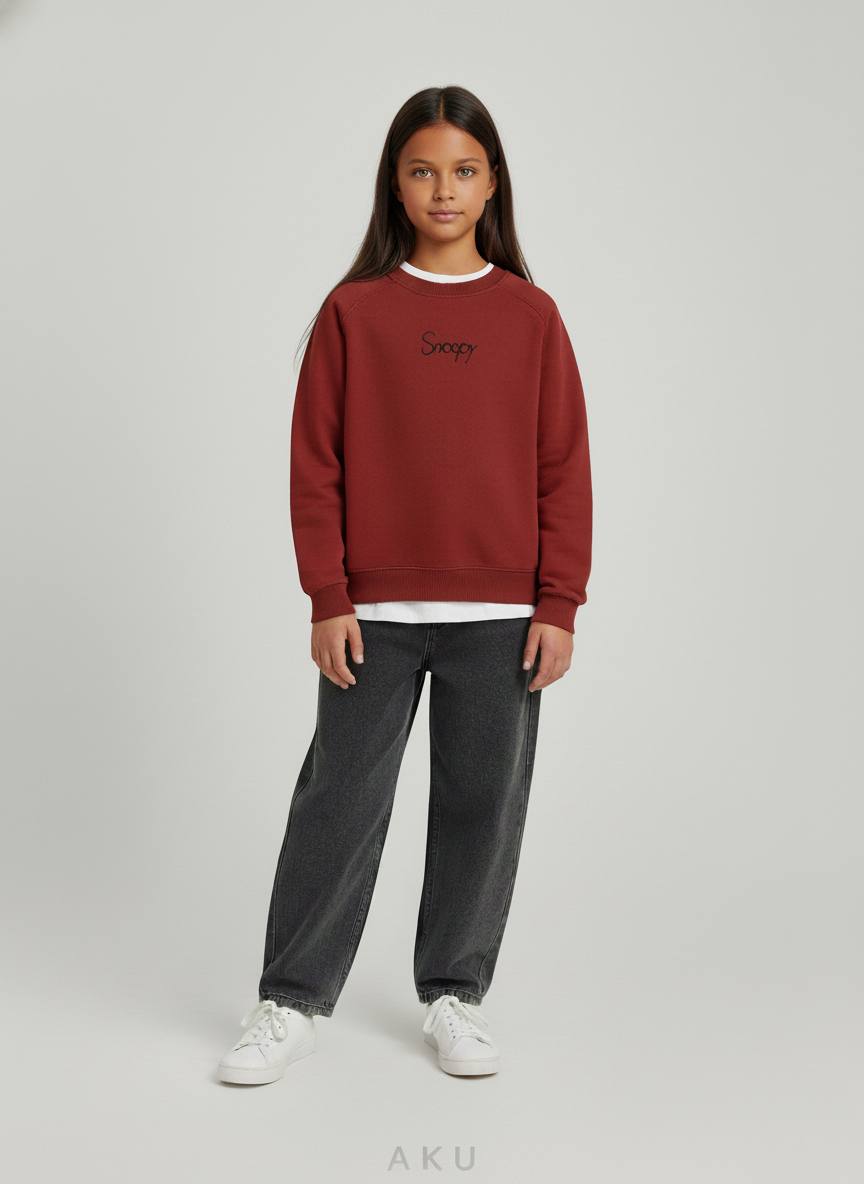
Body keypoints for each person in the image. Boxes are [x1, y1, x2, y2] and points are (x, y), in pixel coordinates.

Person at [217, 84, 593, 1085]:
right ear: (396, 181)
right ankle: (291, 999)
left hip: (501, 615)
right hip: (373, 614)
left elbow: (563, 466)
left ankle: (454, 994)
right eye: (423, 170)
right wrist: (328, 595)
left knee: (482, 805)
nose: (444, 189)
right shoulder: (355, 313)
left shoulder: (531, 317)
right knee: (338, 802)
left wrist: (559, 602)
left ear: (493, 183)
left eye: (464, 171)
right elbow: (316, 465)